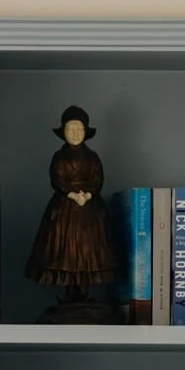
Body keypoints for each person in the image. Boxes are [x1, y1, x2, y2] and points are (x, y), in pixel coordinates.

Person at [25, 105, 114, 292]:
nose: (75, 134)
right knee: (65, 251)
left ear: (85, 132)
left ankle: (84, 292)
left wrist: (88, 195)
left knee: (89, 250)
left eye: (78, 129)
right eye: (70, 130)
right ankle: (69, 294)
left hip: (90, 210)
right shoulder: (59, 157)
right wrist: (71, 194)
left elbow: (98, 178)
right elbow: (57, 178)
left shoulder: (92, 157)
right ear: (63, 132)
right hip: (64, 208)